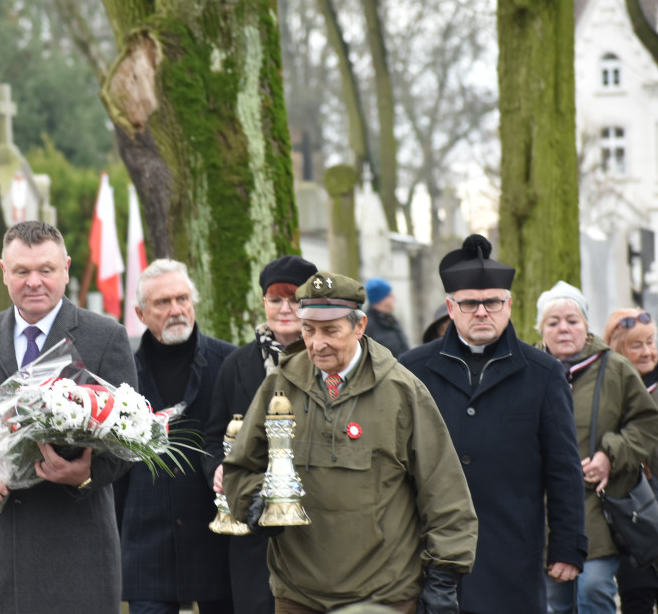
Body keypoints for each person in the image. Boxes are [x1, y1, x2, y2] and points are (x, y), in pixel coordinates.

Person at [223, 271, 478, 613]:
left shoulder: (402, 391)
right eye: (308, 329)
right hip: (298, 597)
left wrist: (444, 578)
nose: (317, 343)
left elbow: (444, 492)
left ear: (359, 327)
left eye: (330, 330)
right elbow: (240, 468)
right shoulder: (280, 384)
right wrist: (255, 502)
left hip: (384, 597)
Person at [0, 221, 137, 614]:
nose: (34, 282)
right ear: (4, 272)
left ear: (67, 269)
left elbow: (130, 438)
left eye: (46, 269)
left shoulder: (106, 336)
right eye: (22, 271)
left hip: (78, 549)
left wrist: (88, 474)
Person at [399, 235, 587, 614]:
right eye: (469, 302)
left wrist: (568, 545)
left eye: (493, 302)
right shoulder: (411, 370)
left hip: (511, 552)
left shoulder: (544, 373)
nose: (482, 311)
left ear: (509, 304)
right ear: (451, 308)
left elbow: (564, 468)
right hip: (429, 554)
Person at [117, 258, 236, 614]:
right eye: (163, 302)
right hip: (146, 543)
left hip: (216, 537)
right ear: (140, 313)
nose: (176, 310)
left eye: (182, 299)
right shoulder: (122, 374)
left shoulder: (228, 362)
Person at [203, 254, 317, 614]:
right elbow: (212, 436)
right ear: (263, 303)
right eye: (275, 299)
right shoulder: (236, 364)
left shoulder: (327, 357)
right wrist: (217, 469)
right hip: (253, 527)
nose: (285, 308)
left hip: (316, 519)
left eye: (295, 299)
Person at [535, 284, 658, 614]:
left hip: (599, 506)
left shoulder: (615, 368)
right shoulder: (527, 370)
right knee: (554, 602)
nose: (564, 328)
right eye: (553, 322)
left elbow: (647, 422)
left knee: (592, 590)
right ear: (540, 330)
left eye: (572, 320)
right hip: (544, 509)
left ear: (586, 324)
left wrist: (610, 454)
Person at [605, 308, 658, 613]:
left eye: (651, 342)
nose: (647, 351)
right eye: (636, 345)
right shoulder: (611, 392)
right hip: (631, 513)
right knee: (637, 596)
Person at [363, 277, 409, 357]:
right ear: (381, 299)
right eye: (390, 296)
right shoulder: (367, 325)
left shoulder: (391, 320)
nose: (394, 299)